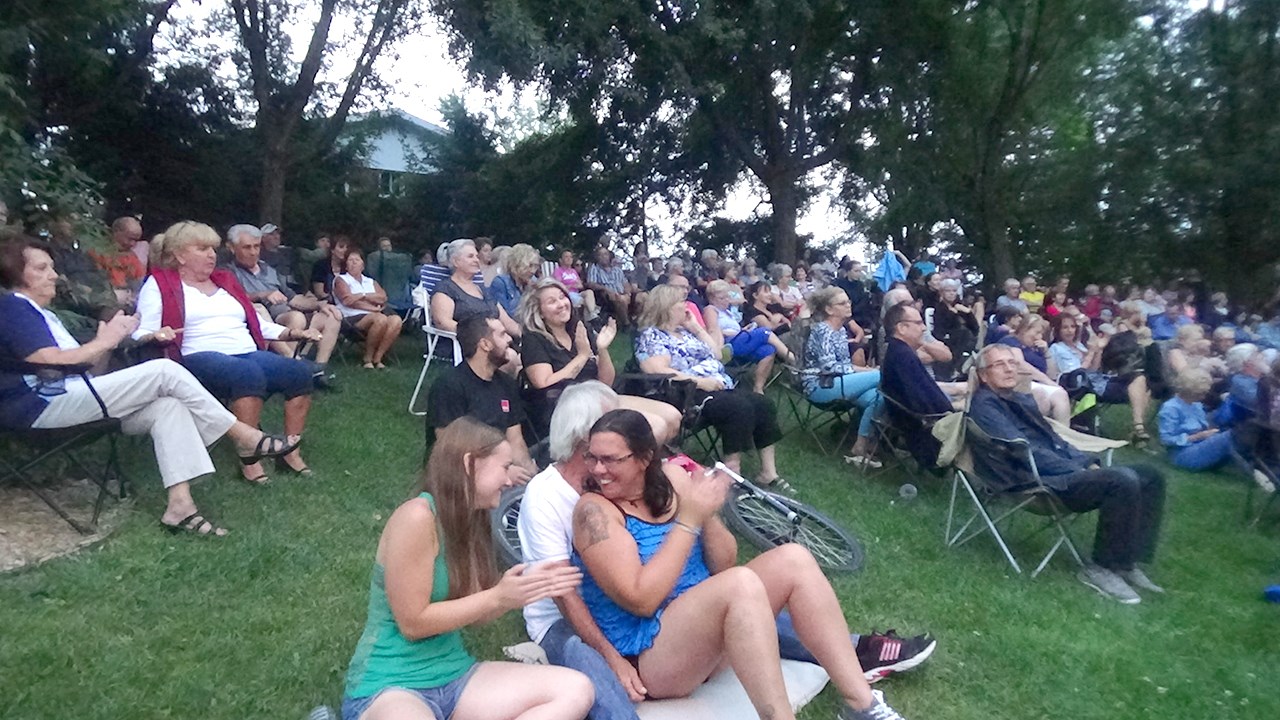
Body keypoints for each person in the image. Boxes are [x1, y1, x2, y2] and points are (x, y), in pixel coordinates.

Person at [518, 383, 936, 720]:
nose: (596, 470)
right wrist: (689, 520)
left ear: (645, 458)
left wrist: (708, 511)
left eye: (611, 460)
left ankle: (862, 705)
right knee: (738, 586)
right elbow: (642, 601)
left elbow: (723, 563)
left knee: (793, 559)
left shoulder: (669, 481)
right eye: (592, 458)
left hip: (700, 638)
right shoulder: (592, 511)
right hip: (652, 654)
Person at [0, 236, 298, 536]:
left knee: (167, 406)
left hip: (72, 397)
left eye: (52, 267)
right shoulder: (14, 307)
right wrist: (103, 342)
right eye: (41, 268)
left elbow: (83, 367)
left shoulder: (42, 314)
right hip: (39, 406)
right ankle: (245, 435)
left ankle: (180, 506)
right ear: (16, 273)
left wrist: (110, 342)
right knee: (165, 371)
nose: (54, 274)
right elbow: (49, 361)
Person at [339, 417, 593, 720]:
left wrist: (522, 591)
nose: (511, 478)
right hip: (392, 685)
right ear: (470, 463)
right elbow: (413, 623)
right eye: (504, 466)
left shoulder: (472, 519)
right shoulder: (417, 518)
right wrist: (498, 597)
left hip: (457, 677)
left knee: (576, 689)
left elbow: (474, 614)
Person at [968, 344, 1167, 605]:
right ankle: (1101, 568)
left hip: (1055, 469)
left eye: (1012, 363)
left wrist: (1087, 461)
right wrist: (1081, 469)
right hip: (1033, 481)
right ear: (983, 375)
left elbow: (1052, 440)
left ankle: (1126, 561)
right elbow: (1024, 453)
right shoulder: (986, 407)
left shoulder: (1018, 398)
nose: (1009, 368)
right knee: (1121, 480)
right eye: (999, 364)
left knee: (1151, 476)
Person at [134, 221, 319, 482]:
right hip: (194, 356)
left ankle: (290, 452)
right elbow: (140, 330)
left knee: (299, 372)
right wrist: (156, 334)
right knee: (246, 374)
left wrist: (289, 333)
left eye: (213, 248)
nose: (211, 255)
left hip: (243, 351)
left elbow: (254, 322)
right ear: (179, 255)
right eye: (202, 248)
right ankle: (250, 459)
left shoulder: (225, 281)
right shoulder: (160, 284)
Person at [634, 284, 789, 489]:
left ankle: (768, 473)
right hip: (686, 393)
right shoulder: (652, 336)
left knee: (763, 403)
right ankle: (731, 474)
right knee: (737, 407)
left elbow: (717, 354)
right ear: (667, 307)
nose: (687, 306)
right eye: (681, 302)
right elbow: (656, 370)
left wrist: (696, 328)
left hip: (717, 386)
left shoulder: (686, 332)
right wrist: (701, 382)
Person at [517, 277, 681, 441]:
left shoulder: (579, 329)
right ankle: (635, 463)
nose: (561, 304)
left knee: (672, 416)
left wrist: (602, 350)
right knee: (656, 426)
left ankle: (646, 462)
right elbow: (544, 383)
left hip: (598, 396)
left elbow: (606, 382)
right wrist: (582, 356)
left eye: (562, 297)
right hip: (567, 409)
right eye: (552, 301)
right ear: (539, 312)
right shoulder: (534, 339)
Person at [428, 315, 536, 480]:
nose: (509, 339)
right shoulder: (449, 386)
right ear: (485, 344)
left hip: (500, 472)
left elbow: (515, 440)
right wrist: (503, 473)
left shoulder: (506, 384)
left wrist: (530, 476)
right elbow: (450, 450)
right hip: (458, 480)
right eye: (502, 334)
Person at [226, 224, 341, 375]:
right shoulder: (228, 272)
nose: (253, 252)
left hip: (283, 316)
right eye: (247, 247)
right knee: (295, 317)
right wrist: (262, 294)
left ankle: (319, 369)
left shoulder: (269, 269)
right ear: (232, 248)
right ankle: (295, 364)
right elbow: (229, 298)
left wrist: (320, 304)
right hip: (258, 319)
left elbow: (293, 299)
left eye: (256, 246)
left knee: (331, 315)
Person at [805, 287, 884, 469]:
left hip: (839, 383)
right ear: (829, 310)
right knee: (881, 375)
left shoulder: (840, 331)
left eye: (848, 301)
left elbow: (844, 365)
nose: (848, 305)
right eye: (842, 303)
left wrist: (862, 371)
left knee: (878, 396)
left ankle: (860, 446)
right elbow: (829, 367)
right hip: (820, 386)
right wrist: (864, 371)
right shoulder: (822, 330)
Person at [879, 303, 962, 467]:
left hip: (923, 421)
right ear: (902, 328)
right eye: (918, 323)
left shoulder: (901, 351)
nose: (924, 328)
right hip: (928, 429)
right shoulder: (903, 356)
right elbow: (923, 402)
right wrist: (957, 408)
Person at [1049, 314, 1153, 436]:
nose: (1070, 330)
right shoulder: (1056, 348)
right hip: (1080, 387)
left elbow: (1094, 369)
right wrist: (1091, 353)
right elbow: (1077, 376)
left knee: (1141, 379)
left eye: (1072, 327)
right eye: (1065, 327)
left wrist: (1099, 350)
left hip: (1096, 380)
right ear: (1058, 330)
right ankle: (1139, 429)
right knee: (1138, 384)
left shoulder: (1079, 346)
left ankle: (1138, 428)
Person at [701, 280, 792, 394]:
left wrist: (743, 330)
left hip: (740, 340)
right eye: (722, 298)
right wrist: (732, 333)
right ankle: (792, 360)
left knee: (769, 350)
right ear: (712, 298)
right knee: (764, 332)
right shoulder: (711, 309)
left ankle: (758, 389)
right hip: (728, 346)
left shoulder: (727, 313)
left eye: (727, 297)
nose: (726, 301)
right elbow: (712, 331)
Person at [1157, 367, 1247, 472]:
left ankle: (1253, 468)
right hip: (1181, 454)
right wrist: (1196, 437)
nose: (1204, 397)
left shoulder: (1196, 405)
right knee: (1232, 435)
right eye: (1201, 393)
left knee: (1233, 433)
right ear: (1189, 391)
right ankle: (1253, 471)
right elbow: (1166, 439)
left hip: (1199, 445)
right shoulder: (1171, 408)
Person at [430, 238, 522, 340]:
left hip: (496, 343)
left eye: (477, 256)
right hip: (467, 347)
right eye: (470, 256)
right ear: (455, 262)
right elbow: (443, 323)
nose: (476, 260)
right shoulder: (445, 288)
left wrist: (530, 336)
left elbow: (507, 322)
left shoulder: (483, 290)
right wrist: (485, 334)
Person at [334, 247, 404, 369]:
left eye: (357, 259)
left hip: (375, 315)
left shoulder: (370, 281)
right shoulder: (341, 279)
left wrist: (363, 295)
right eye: (350, 260)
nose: (354, 262)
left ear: (363, 265)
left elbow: (382, 298)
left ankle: (378, 358)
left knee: (396, 320)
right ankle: (367, 358)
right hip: (351, 318)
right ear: (346, 265)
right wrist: (372, 307)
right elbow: (348, 301)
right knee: (380, 319)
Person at [927, 278, 981, 381]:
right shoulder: (939, 308)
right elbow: (940, 331)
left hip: (963, 341)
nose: (951, 294)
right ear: (942, 293)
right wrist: (952, 314)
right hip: (945, 340)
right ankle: (956, 369)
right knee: (963, 333)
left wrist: (968, 313)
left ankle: (961, 368)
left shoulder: (960, 306)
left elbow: (975, 329)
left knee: (965, 334)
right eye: (948, 291)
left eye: (954, 291)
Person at [89, 216, 146, 306]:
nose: (133, 244)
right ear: (116, 232)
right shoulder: (97, 252)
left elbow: (140, 282)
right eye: (130, 239)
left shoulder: (132, 257)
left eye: (136, 240)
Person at [490, 244, 542, 318]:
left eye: (535, 266)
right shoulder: (501, 283)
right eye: (530, 266)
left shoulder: (532, 285)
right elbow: (502, 316)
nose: (533, 271)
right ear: (517, 264)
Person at [586, 247, 633, 329]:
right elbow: (591, 284)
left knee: (642, 297)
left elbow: (625, 283)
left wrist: (628, 293)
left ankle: (641, 323)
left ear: (609, 256)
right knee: (620, 300)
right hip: (607, 295)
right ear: (597, 258)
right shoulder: (594, 268)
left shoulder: (617, 270)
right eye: (600, 255)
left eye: (605, 254)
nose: (603, 257)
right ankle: (627, 324)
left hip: (622, 293)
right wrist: (605, 289)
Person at [552, 249, 598, 317]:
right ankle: (593, 314)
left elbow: (580, 286)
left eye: (570, 257)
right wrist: (572, 286)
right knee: (587, 303)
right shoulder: (558, 271)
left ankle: (592, 314)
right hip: (566, 294)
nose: (569, 259)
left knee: (589, 292)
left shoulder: (573, 271)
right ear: (560, 260)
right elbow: (559, 286)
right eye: (566, 257)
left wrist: (573, 285)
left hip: (577, 294)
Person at [311, 235, 354, 301]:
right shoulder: (321, 266)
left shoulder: (349, 266)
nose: (345, 250)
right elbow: (319, 293)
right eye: (341, 247)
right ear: (332, 250)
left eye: (347, 248)